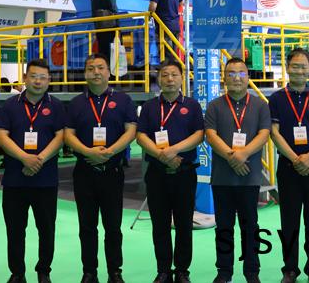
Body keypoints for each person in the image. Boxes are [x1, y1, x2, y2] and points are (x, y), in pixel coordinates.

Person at [65, 54, 137, 283]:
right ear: (85, 73)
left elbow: (131, 131)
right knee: (87, 226)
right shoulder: (76, 103)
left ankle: (115, 271)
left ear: (109, 72)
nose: (96, 72)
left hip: (112, 172)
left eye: (100, 68)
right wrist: (89, 152)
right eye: (90, 68)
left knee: (113, 226)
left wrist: (110, 152)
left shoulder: (123, 100)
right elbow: (68, 135)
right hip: (84, 173)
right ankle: (89, 272)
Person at [0, 59, 66, 283]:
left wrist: (39, 160)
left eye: (43, 77)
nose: (38, 81)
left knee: (46, 229)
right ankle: (17, 273)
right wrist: (24, 158)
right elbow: (1, 136)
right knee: (15, 230)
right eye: (33, 76)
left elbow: (60, 137)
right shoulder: (10, 105)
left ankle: (44, 271)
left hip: (45, 180)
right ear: (25, 78)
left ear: (49, 80)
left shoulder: (56, 106)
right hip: (15, 180)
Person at [135, 60, 204, 283]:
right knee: (160, 224)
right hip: (157, 173)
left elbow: (199, 135)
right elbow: (141, 135)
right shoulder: (149, 107)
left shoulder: (192, 105)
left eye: (174, 74)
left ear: (182, 78)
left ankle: (182, 270)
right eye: (165, 75)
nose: (170, 79)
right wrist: (160, 154)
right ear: (159, 79)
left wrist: (173, 151)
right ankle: (163, 270)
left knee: (184, 224)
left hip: (184, 173)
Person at [205, 57, 271, 283]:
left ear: (248, 77)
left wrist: (243, 154)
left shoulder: (260, 105)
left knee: (250, 226)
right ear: (224, 78)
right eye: (231, 73)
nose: (236, 78)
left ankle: (252, 272)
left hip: (249, 177)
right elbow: (210, 135)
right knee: (224, 227)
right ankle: (224, 272)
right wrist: (231, 156)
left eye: (241, 73)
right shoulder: (214, 106)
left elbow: (264, 134)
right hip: (222, 178)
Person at [268, 48, 309, 283]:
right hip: (288, 167)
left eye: (304, 66)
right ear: (287, 68)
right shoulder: (276, 99)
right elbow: (274, 132)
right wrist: (295, 158)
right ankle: (290, 269)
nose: (299, 70)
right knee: (289, 221)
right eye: (295, 66)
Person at [91, 0, 119, 64]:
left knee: (103, 53)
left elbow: (93, 12)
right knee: (112, 54)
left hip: (99, 28)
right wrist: (118, 27)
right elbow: (114, 8)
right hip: (110, 27)